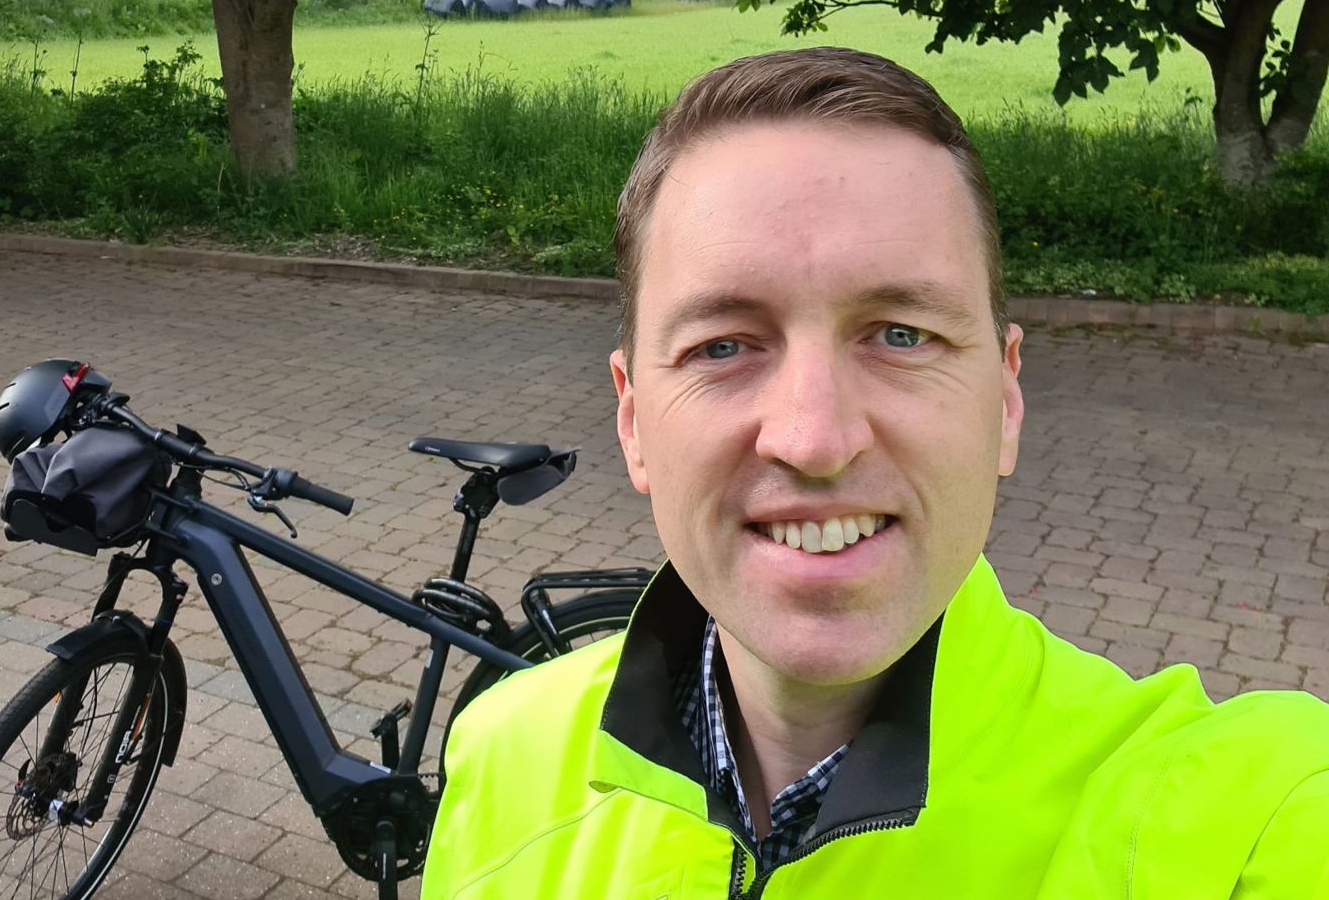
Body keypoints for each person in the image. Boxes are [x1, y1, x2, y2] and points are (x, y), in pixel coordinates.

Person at [420, 47, 1329, 899]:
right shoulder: (504, 751)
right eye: (724, 345)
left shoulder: (1249, 820)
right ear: (633, 420)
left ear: (1005, 402)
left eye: (903, 334)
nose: (815, 440)